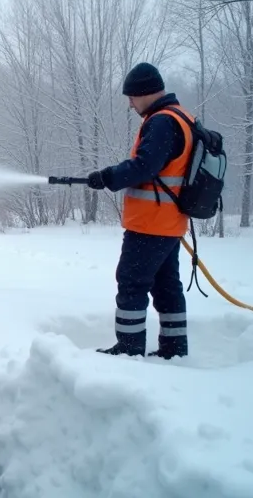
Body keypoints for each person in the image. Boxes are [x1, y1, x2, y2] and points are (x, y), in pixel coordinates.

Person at [85, 62, 195, 359]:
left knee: (131, 282)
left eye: (132, 97)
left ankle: (129, 349)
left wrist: (107, 177)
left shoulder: (161, 121)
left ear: (146, 92)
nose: (130, 103)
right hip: (169, 223)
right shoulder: (183, 117)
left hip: (151, 224)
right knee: (166, 286)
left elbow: (145, 166)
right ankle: (174, 349)